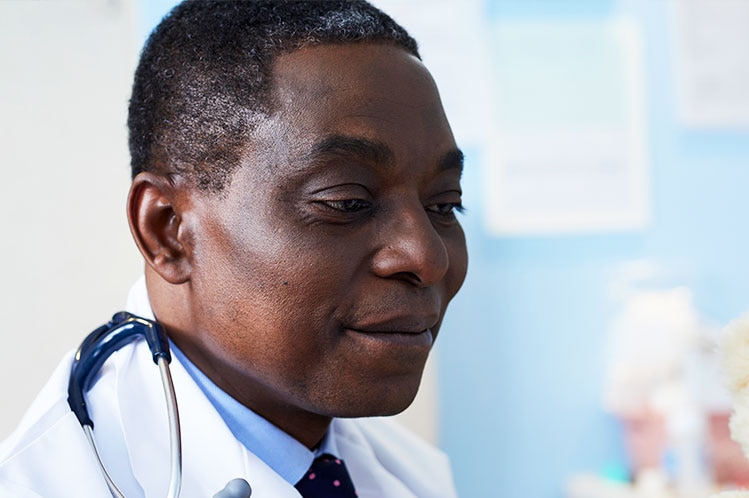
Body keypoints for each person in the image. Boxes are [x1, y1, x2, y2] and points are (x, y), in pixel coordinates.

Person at [0, 1, 467, 497]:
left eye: (445, 204)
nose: (425, 256)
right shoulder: (50, 483)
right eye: (346, 201)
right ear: (168, 231)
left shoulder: (411, 471)